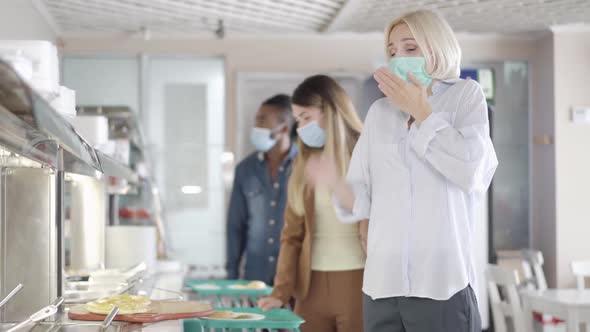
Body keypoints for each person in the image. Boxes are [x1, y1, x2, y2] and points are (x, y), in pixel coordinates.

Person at [305, 10, 498, 332]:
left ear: (437, 48)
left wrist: (422, 112)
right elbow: (363, 191)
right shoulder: (379, 113)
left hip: (441, 281)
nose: (398, 57)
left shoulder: (466, 96)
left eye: (410, 48)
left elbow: (472, 171)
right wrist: (335, 186)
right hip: (383, 282)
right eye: (392, 51)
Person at [258, 75, 367, 332]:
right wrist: (281, 293)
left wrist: (336, 183)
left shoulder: (366, 153)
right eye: (298, 120)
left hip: (360, 280)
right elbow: (291, 236)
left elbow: (380, 216)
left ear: (330, 110)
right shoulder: (305, 164)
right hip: (311, 287)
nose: (302, 128)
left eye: (306, 118)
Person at [226, 94, 297, 286]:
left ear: (283, 128)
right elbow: (235, 226)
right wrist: (231, 275)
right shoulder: (245, 170)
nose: (256, 126)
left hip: (295, 278)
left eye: (262, 120)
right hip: (255, 278)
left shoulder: (305, 167)